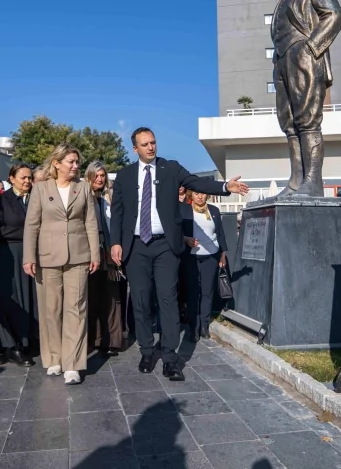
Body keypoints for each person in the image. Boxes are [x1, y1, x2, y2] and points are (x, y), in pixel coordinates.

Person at [110, 128, 248, 380]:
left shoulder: (170, 168)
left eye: (153, 142)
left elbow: (196, 182)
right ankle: (147, 350)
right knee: (140, 300)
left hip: (165, 245)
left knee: (168, 299)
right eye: (145, 144)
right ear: (135, 149)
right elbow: (118, 211)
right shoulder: (125, 175)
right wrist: (115, 242)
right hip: (136, 246)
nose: (151, 147)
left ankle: (171, 358)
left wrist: (225, 186)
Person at [270, 0, 341, 196]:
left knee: (308, 120)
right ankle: (295, 181)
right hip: (281, 62)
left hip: (304, 56)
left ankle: (312, 181)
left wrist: (311, 47)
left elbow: (334, 14)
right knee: (289, 123)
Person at [23, 145, 100, 385]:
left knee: (76, 310)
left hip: (78, 256)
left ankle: (73, 364)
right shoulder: (40, 189)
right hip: (47, 257)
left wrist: (95, 254)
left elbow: (90, 223)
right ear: (57, 163)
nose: (76, 166)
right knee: (51, 309)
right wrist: (29, 256)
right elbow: (32, 225)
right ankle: (54, 358)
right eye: (71, 162)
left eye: (77, 162)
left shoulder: (83, 188)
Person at [0, 163, 36, 366]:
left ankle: (26, 341)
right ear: (11, 178)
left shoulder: (35, 198)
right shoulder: (1, 200)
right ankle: (10, 345)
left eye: (29, 177)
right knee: (10, 298)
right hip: (8, 254)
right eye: (23, 177)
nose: (27, 181)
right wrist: (29, 233)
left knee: (28, 298)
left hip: (31, 254)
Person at [86, 161, 125, 356]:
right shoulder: (83, 198)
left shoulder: (108, 199)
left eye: (103, 176)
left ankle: (112, 341)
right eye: (96, 176)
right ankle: (93, 340)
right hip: (89, 252)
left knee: (111, 298)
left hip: (109, 253)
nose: (100, 179)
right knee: (92, 298)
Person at [181, 190, 227, 341]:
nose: (200, 196)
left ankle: (204, 326)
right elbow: (176, 231)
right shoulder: (184, 210)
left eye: (202, 194)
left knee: (207, 292)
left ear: (207, 195)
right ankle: (193, 326)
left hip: (211, 256)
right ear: (191, 196)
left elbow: (219, 232)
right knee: (193, 293)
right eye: (196, 194)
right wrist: (185, 239)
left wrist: (222, 253)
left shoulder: (214, 210)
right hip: (191, 257)